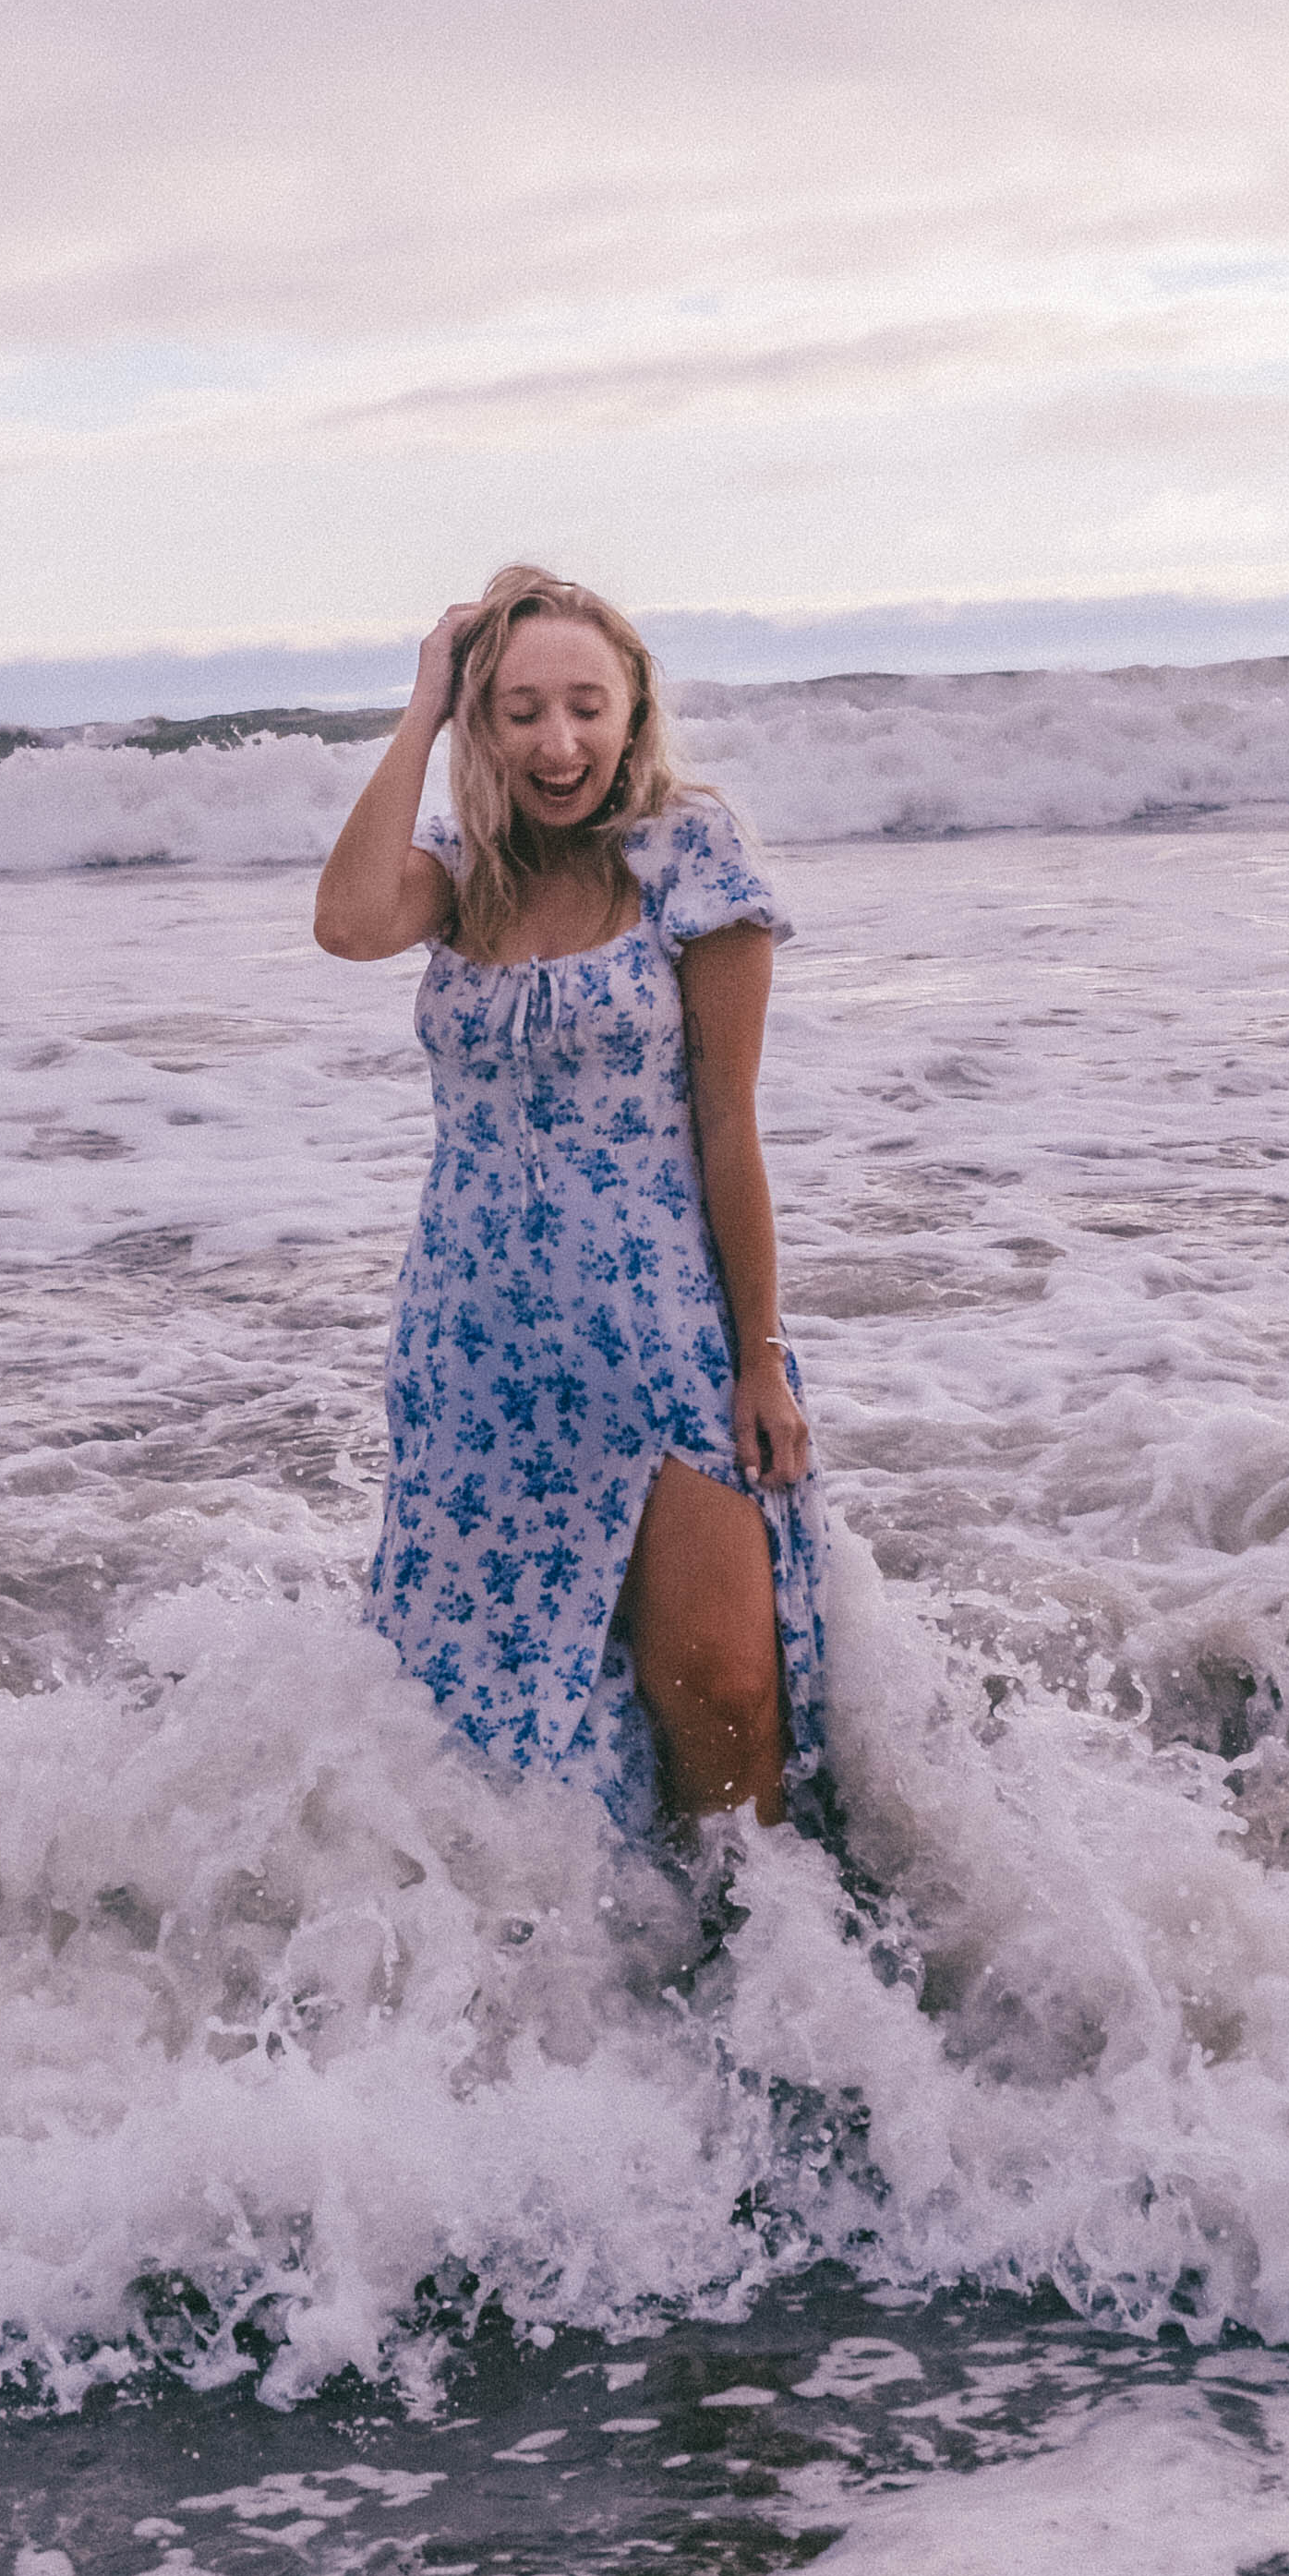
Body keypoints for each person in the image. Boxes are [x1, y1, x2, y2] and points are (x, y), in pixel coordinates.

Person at [314, 566, 825, 1840]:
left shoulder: (689, 858)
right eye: (521, 712)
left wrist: (758, 1358)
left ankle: (763, 1971)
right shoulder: (459, 875)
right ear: (483, 731)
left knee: (719, 1693)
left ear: (635, 708)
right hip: (473, 1341)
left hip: (654, 1334)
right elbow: (345, 920)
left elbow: (727, 1125)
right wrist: (425, 700)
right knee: (488, 1707)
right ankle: (583, 1981)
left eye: (588, 706)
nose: (560, 743)